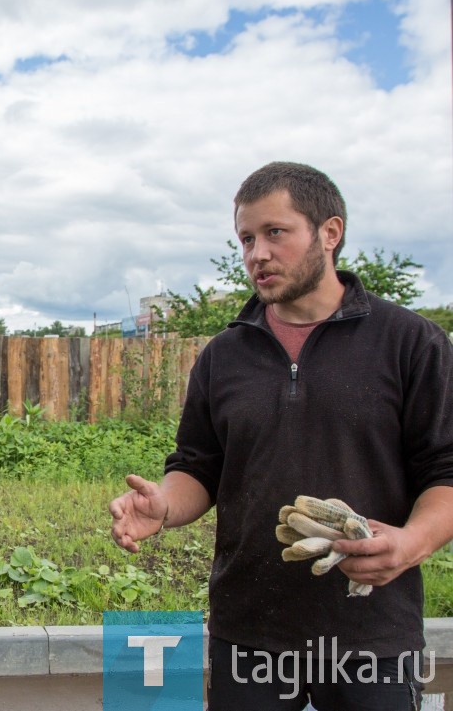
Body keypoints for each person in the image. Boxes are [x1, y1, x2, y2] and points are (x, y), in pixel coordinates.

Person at [109, 161, 453, 710]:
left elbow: (445, 472)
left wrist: (412, 544)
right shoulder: (225, 355)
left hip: (371, 633)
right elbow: (199, 465)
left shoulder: (411, 343)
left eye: (275, 233)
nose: (256, 254)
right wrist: (166, 505)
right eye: (246, 238)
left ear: (329, 232)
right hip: (248, 631)